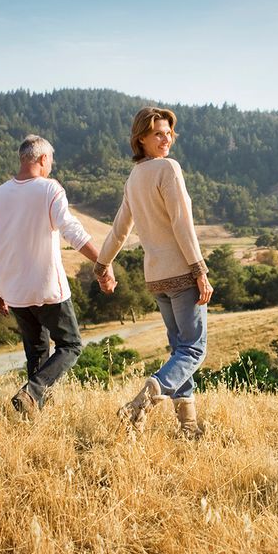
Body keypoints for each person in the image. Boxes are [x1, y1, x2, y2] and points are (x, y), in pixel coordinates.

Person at [96, 107, 213, 437]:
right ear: (141, 139)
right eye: (158, 133)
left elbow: (119, 229)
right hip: (181, 273)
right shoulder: (168, 169)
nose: (166, 139)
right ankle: (146, 398)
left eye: (169, 133)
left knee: (179, 351)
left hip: (156, 279)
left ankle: (189, 428)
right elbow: (181, 223)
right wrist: (199, 270)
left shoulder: (134, 178)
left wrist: (102, 264)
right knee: (193, 350)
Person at [0, 134, 100, 415]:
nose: (52, 164)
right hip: (47, 288)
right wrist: (103, 261)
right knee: (71, 345)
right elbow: (71, 230)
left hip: (14, 291)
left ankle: (33, 413)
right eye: (51, 159)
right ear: (42, 159)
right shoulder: (49, 189)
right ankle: (33, 391)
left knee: (37, 353)